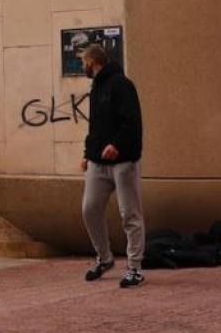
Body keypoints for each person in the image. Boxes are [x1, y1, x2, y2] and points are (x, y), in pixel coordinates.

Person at [79, 43, 145, 289]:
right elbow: (95, 126)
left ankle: (135, 268)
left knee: (130, 214)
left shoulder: (122, 84)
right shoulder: (96, 86)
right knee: (90, 208)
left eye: (84, 62)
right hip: (98, 161)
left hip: (123, 161)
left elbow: (132, 121)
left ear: (92, 61)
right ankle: (104, 258)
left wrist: (117, 144)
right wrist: (87, 153)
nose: (82, 66)